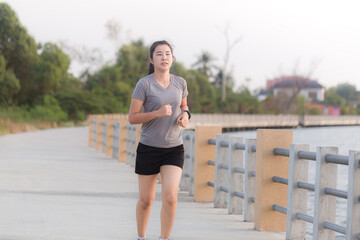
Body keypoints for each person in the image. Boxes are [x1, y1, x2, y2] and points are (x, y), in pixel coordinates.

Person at [128, 40, 190, 240]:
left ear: (172, 58)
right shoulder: (144, 84)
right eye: (159, 54)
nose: (164, 57)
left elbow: (184, 106)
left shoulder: (180, 82)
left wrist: (185, 116)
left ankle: (165, 238)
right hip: (149, 147)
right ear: (151, 59)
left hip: (173, 147)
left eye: (167, 54)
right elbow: (132, 117)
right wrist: (158, 113)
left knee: (171, 197)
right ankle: (141, 237)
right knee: (146, 200)